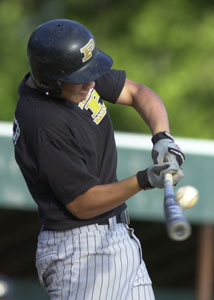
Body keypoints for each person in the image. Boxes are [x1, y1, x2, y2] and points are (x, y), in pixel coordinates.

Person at [13, 19, 185, 300]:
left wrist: (163, 137)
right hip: (82, 252)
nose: (92, 83)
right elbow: (83, 203)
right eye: (82, 78)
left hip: (117, 238)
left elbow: (138, 92)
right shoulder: (42, 123)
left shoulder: (72, 74)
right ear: (52, 81)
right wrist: (144, 179)